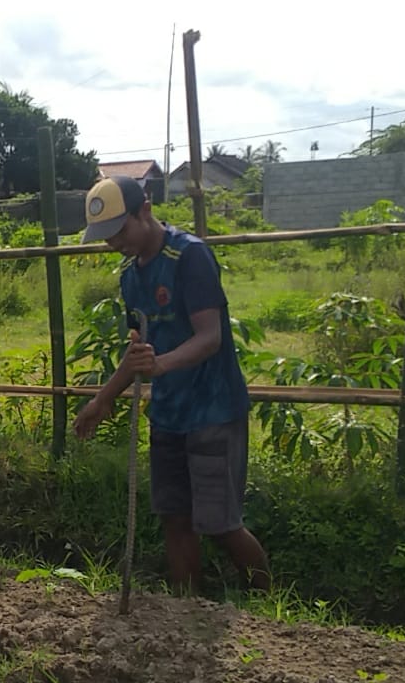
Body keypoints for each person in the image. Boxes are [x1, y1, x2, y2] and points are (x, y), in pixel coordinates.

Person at [71, 176, 269, 595]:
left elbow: (209, 337)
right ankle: (185, 611)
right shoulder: (129, 276)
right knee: (175, 518)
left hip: (212, 410)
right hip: (169, 414)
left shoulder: (190, 256)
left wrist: (160, 366)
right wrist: (101, 401)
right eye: (105, 237)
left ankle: (268, 610)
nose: (114, 243)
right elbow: (138, 353)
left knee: (220, 524)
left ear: (144, 210)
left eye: (119, 231)